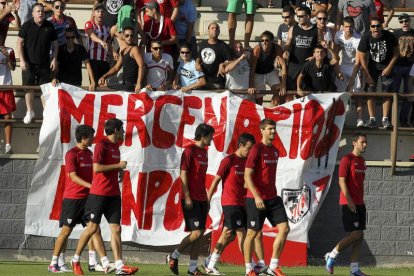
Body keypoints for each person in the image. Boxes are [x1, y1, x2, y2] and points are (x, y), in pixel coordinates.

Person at [71, 118, 139, 276]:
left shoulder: (115, 146)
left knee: (116, 229)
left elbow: (111, 166)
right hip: (99, 194)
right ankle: (75, 260)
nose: (123, 132)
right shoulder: (102, 145)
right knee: (92, 228)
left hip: (113, 193)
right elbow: (97, 168)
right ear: (115, 130)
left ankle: (120, 266)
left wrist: (119, 171)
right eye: (121, 129)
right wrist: (118, 166)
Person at [47, 125, 113, 274]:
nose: (93, 139)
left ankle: (96, 262)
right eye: (91, 136)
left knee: (94, 229)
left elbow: (97, 172)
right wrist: (91, 186)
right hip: (73, 199)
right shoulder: (72, 154)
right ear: (83, 138)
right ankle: (53, 263)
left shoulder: (90, 154)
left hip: (89, 198)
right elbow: (72, 176)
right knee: (66, 231)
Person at [167, 123, 215, 276]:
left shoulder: (204, 152)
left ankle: (192, 269)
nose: (212, 140)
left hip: (201, 198)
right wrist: (187, 195)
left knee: (200, 233)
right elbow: (183, 174)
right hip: (190, 198)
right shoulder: (189, 151)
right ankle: (173, 255)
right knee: (196, 233)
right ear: (202, 136)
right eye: (210, 136)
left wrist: (206, 198)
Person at [204, 133, 255, 275]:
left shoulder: (247, 163)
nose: (250, 152)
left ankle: (210, 264)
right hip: (230, 202)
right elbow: (216, 180)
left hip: (243, 203)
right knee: (241, 234)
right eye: (248, 148)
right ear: (240, 146)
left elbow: (246, 183)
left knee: (227, 235)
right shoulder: (229, 160)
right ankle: (250, 267)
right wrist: (208, 198)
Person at [243, 118, 290, 276]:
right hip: (255, 199)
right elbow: (247, 176)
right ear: (262, 131)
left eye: (274, 129)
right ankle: (249, 269)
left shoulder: (275, 151)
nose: (273, 131)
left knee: (284, 229)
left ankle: (273, 266)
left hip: (272, 198)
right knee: (252, 234)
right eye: (269, 129)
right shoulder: (256, 149)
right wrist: (256, 196)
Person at [325, 132, 368, 276]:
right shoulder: (347, 159)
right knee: (355, 235)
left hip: (359, 203)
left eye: (365, 142)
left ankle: (354, 270)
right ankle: (331, 255)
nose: (365, 145)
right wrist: (349, 201)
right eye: (362, 142)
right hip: (348, 203)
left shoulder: (362, 161)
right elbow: (341, 181)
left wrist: (359, 201)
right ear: (354, 143)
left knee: (359, 236)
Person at [17, 3, 58, 124]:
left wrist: (54, 59)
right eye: (38, 11)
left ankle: (46, 112)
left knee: (45, 89)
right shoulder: (26, 25)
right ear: (33, 13)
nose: (40, 13)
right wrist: (22, 60)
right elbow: (19, 43)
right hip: (29, 64)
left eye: (42, 11)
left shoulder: (49, 26)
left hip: (44, 64)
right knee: (28, 88)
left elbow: (55, 44)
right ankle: (30, 111)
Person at [357, 17, 398, 130]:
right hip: (372, 67)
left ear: (381, 26)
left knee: (387, 92)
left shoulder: (389, 36)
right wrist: (367, 74)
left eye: (378, 26)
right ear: (370, 27)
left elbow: (396, 52)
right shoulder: (366, 36)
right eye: (373, 26)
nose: (376, 28)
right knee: (370, 92)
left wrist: (390, 66)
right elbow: (361, 56)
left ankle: (385, 119)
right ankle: (372, 119)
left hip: (386, 66)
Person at [333, 17, 363, 127]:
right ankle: (340, 120)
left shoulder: (357, 39)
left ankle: (359, 120)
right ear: (342, 26)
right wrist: (337, 71)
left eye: (350, 26)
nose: (348, 29)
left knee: (357, 93)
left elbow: (358, 61)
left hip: (355, 67)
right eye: (346, 26)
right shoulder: (338, 35)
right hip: (343, 65)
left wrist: (352, 78)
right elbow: (335, 55)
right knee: (339, 94)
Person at [99, 27, 144, 92]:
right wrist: (104, 76)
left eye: (131, 36)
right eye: (127, 35)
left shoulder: (134, 49)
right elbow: (116, 68)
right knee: (103, 86)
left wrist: (138, 83)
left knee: (104, 87)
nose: (129, 38)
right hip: (123, 83)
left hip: (130, 84)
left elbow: (141, 66)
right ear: (123, 37)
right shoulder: (123, 51)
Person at [283, 7, 317, 92]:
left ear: (308, 17)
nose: (298, 18)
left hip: (308, 65)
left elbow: (320, 47)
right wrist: (286, 51)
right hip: (294, 65)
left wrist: (314, 56)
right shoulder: (293, 28)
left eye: (301, 16)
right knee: (290, 91)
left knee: (307, 92)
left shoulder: (316, 30)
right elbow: (288, 43)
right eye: (297, 16)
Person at [249, 31, 287, 106]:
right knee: (258, 98)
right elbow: (252, 70)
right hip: (258, 73)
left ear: (272, 41)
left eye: (267, 40)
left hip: (270, 72)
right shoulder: (256, 50)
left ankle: (271, 109)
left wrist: (283, 84)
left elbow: (284, 66)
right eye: (262, 40)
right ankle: (261, 115)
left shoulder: (277, 48)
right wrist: (251, 85)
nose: (264, 42)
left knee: (278, 90)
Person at [392, 13, 414, 127]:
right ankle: (392, 120)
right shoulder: (395, 33)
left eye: (406, 21)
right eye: (401, 21)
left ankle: (404, 120)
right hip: (397, 66)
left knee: (408, 95)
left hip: (411, 67)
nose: (404, 23)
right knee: (394, 94)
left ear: (409, 21)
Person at [197, 22, 232, 90]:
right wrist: (197, 63)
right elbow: (199, 57)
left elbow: (231, 61)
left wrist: (223, 64)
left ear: (219, 32)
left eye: (217, 28)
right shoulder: (202, 44)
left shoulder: (224, 46)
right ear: (208, 31)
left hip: (217, 83)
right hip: (203, 81)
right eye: (212, 28)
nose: (214, 29)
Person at [84, 3, 113, 85]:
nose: (100, 13)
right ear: (94, 13)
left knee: (104, 86)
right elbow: (91, 35)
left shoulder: (107, 27)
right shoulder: (90, 24)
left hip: (105, 60)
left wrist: (111, 57)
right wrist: (101, 41)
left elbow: (109, 43)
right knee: (95, 85)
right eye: (98, 11)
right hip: (93, 60)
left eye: (102, 11)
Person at [0, 43, 16, 154]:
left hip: (6, 87)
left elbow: (13, 67)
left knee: (8, 117)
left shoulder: (10, 50)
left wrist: (7, 57)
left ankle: (8, 145)